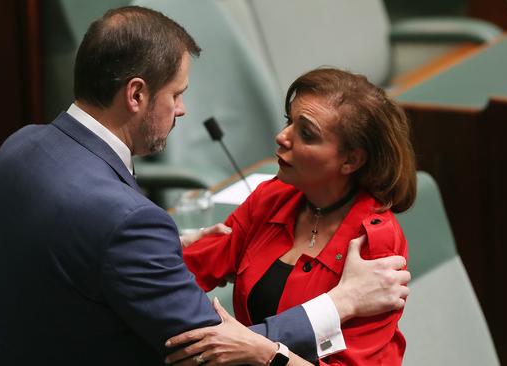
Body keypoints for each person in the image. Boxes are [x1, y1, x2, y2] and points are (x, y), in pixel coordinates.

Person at [0, 6, 409, 366]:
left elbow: (81, 250)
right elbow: (205, 343)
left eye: (307, 132)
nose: (182, 110)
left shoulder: (18, 148)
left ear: (352, 160)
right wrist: (340, 304)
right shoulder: (130, 222)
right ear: (137, 95)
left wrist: (164, 245)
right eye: (176, 94)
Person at [168, 68, 416, 365]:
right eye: (289, 122)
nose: (282, 137)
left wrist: (262, 352)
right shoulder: (273, 198)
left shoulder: (374, 244)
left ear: (350, 160)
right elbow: (190, 268)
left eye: (306, 134)